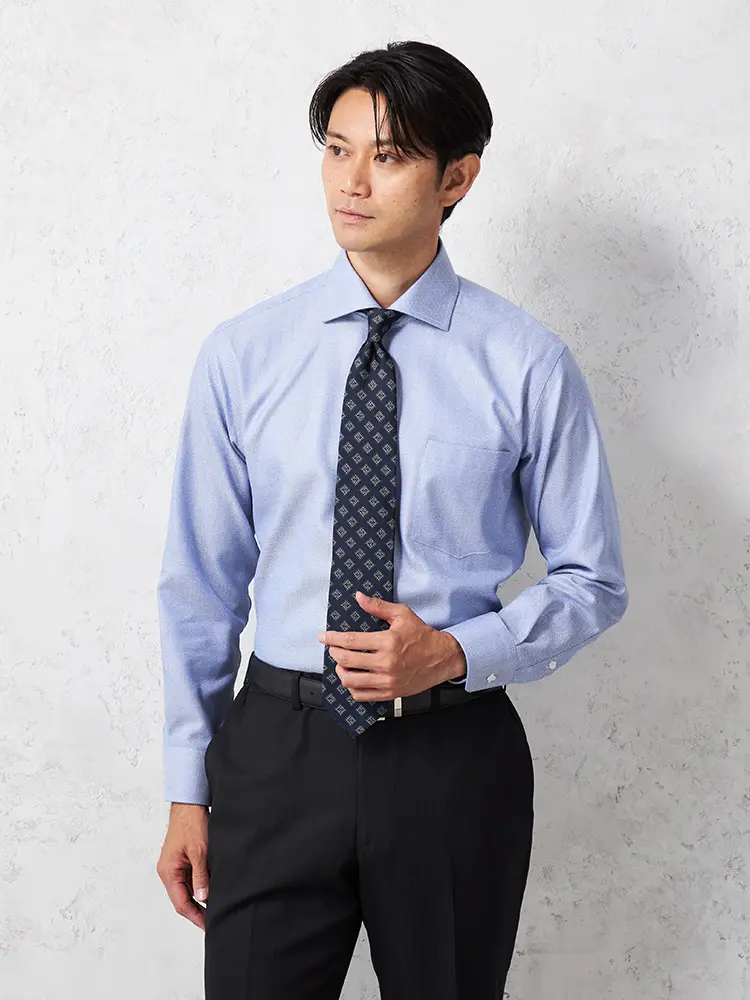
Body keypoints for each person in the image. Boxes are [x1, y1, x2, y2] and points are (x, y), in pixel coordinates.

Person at [155, 39, 629, 1000]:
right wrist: (186, 787)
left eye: (389, 155)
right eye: (337, 150)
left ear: (458, 178)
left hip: (450, 755)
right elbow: (200, 587)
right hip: (277, 753)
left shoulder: (527, 364)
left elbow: (594, 580)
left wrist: (454, 652)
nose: (352, 181)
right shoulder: (244, 355)